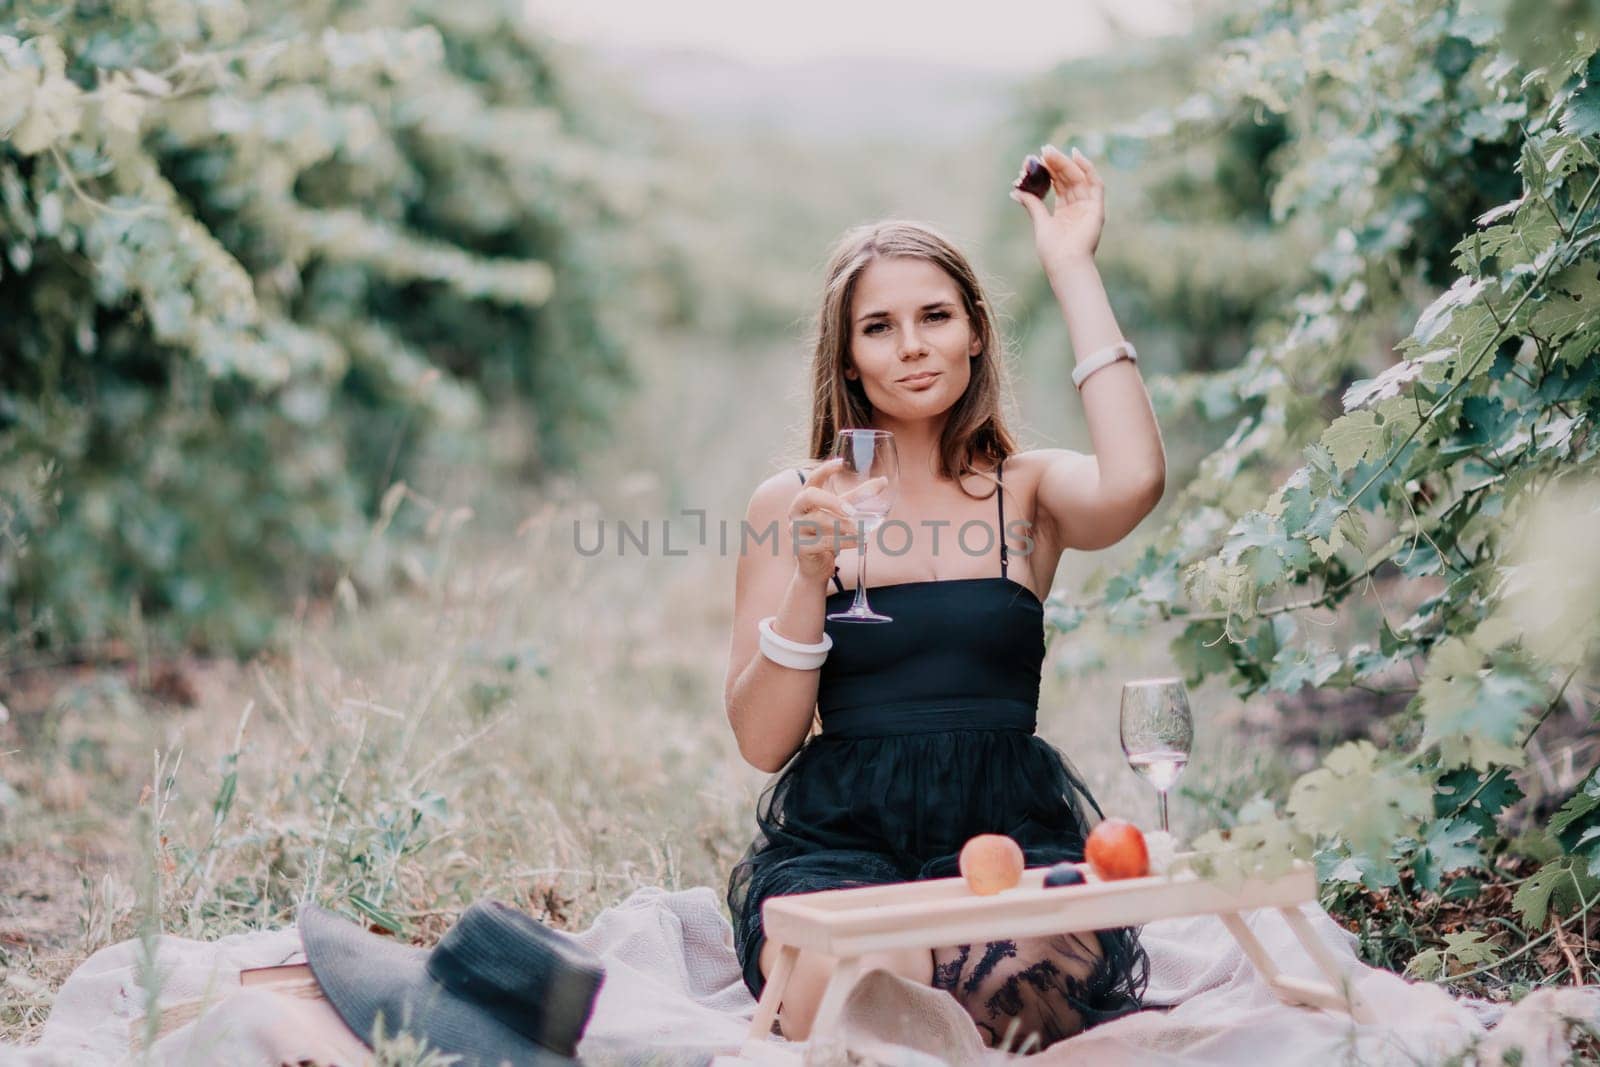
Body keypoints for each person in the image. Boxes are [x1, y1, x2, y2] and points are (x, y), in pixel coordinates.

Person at [723, 143, 1167, 1049]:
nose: (913, 344)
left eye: (935, 315)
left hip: (1004, 839)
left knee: (1010, 986)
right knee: (837, 988)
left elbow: (1135, 478)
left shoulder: (1026, 491)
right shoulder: (792, 503)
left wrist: (1071, 267)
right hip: (843, 842)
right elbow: (765, 741)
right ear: (847, 357)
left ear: (976, 332)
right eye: (879, 326)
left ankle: (923, 986)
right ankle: (900, 982)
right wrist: (810, 579)